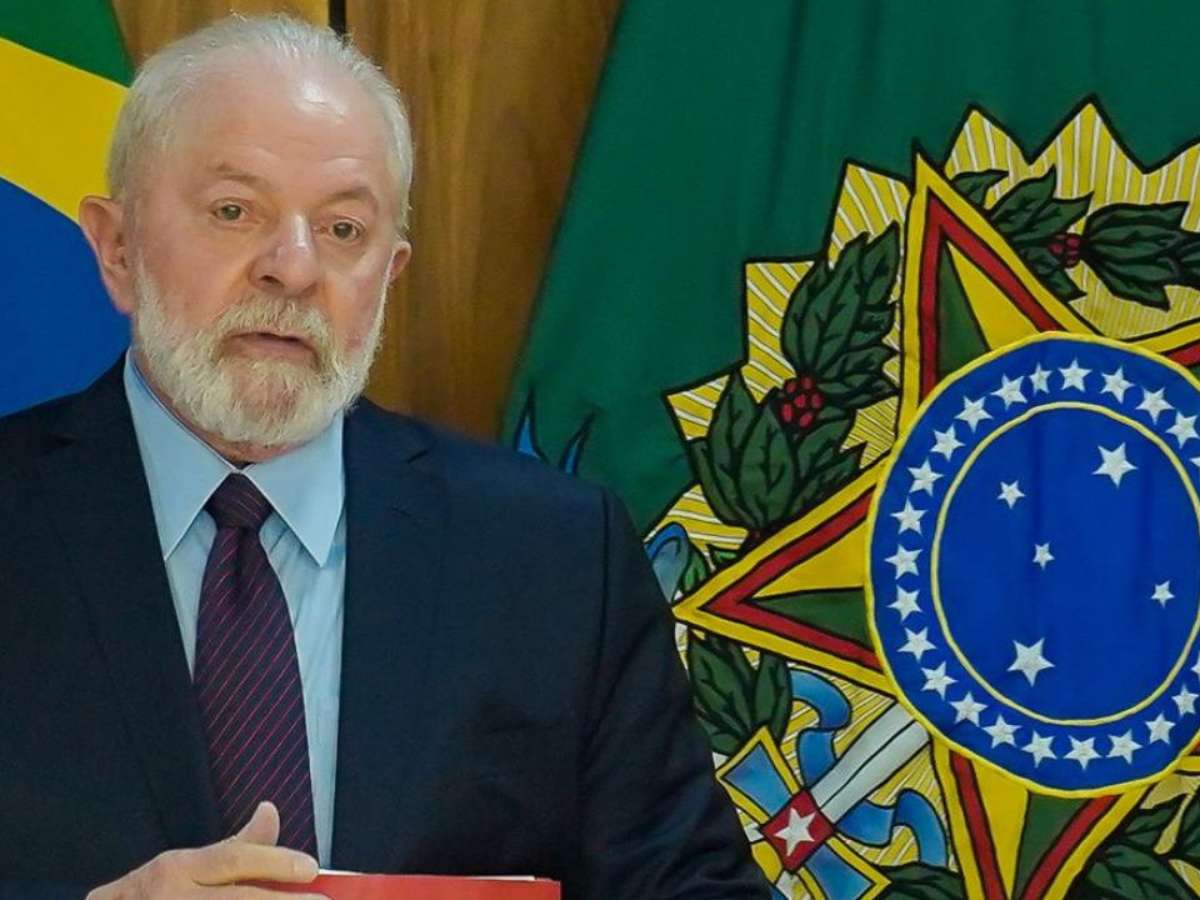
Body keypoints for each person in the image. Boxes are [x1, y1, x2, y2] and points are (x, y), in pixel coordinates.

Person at [0, 14, 768, 900]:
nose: (293, 269)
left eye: (343, 230)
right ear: (117, 249)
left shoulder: (553, 557)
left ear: (388, 275)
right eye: (233, 211)